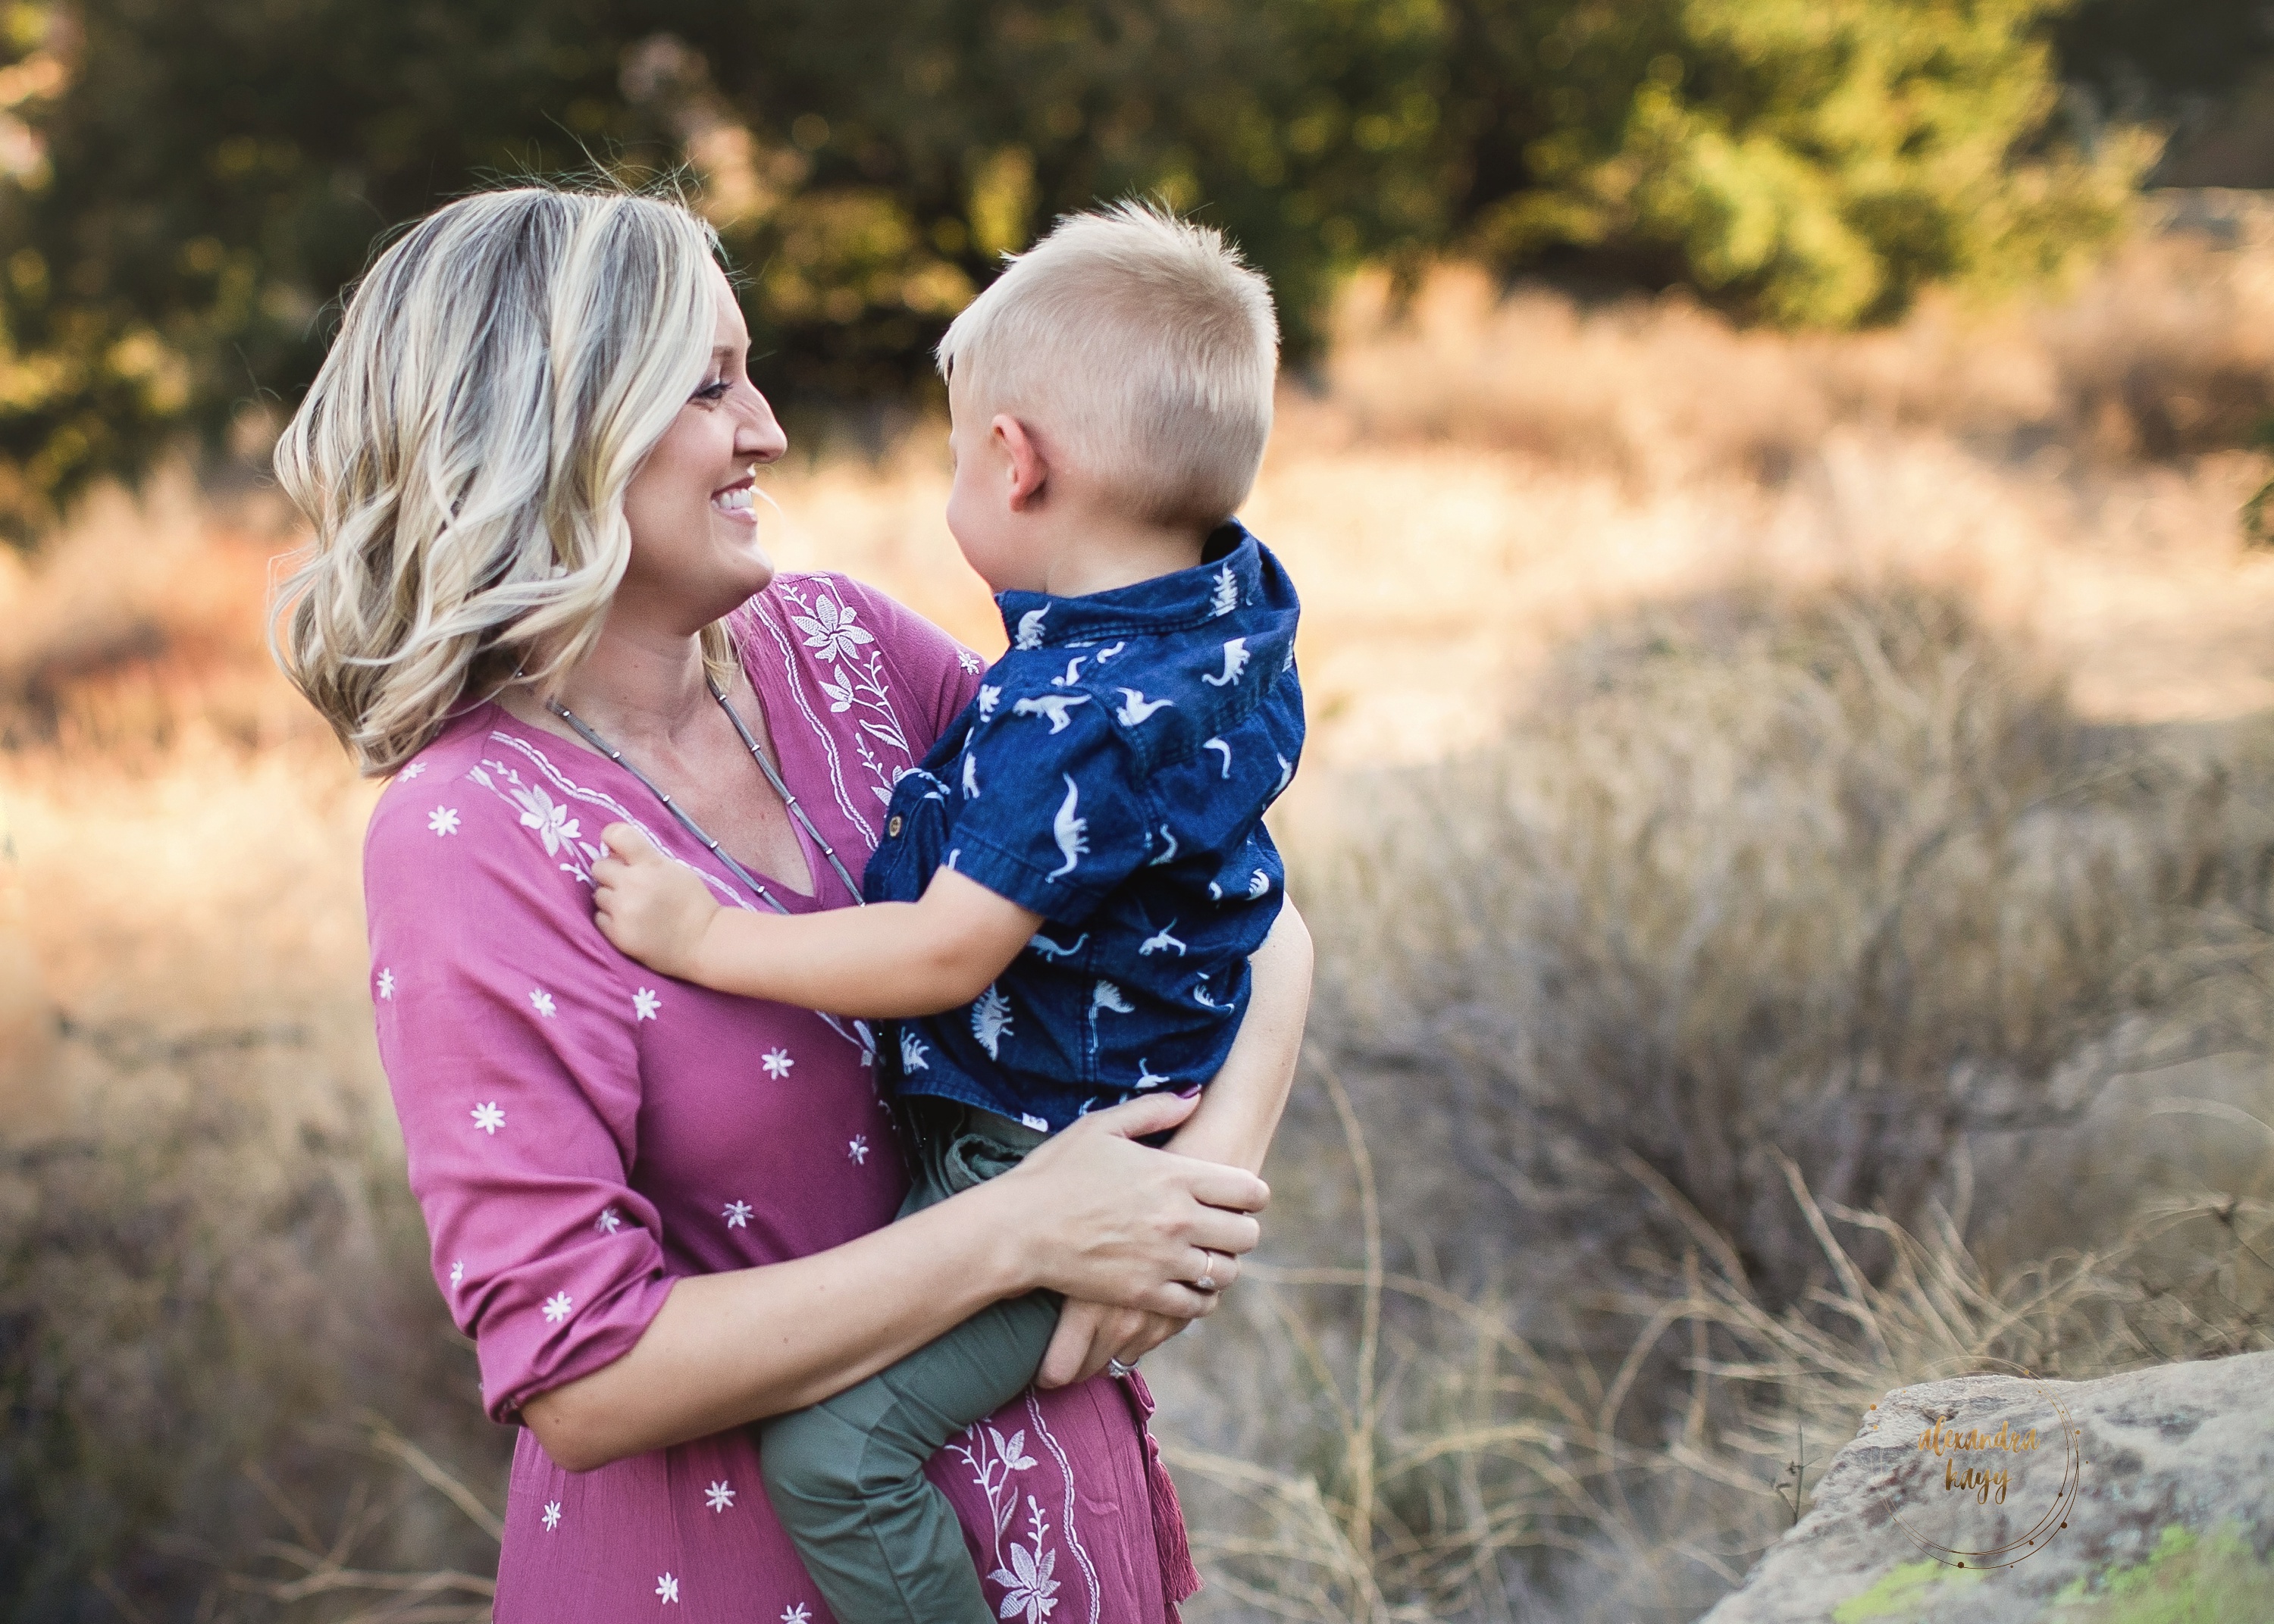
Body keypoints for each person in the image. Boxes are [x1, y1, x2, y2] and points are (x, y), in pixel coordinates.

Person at [269, 182, 1313, 1624]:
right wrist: (1024, 1233)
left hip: (1076, 1547)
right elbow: (582, 1371)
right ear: (553, 429)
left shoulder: (850, 649)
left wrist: (1187, 1212)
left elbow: (1235, 907)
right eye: (711, 387)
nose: (767, 429)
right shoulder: (471, 833)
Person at [590, 202, 1303, 1624]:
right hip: (1101, 1143)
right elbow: (1251, 894)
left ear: (1013, 461)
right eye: (713, 381)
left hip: (1032, 1156)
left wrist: (708, 940)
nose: (772, 431)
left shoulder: (1061, 716)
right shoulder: (1224, 626)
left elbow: (947, 949)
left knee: (839, 1457)